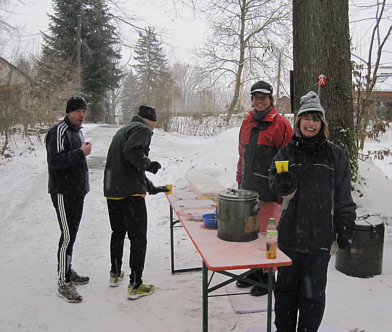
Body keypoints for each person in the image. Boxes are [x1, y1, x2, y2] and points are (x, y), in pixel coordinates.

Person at [269, 91, 356, 332]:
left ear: (322, 124)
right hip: (289, 239)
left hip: (319, 240)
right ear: (298, 122)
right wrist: (282, 183)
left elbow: (343, 196)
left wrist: (345, 225)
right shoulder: (287, 153)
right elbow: (274, 184)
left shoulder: (334, 155)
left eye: (316, 119)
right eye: (306, 118)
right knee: (285, 294)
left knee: (313, 297)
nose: (310, 123)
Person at [103, 105, 169, 300]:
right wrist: (150, 164)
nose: (154, 129)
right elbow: (132, 153)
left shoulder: (124, 130)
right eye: (154, 125)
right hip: (130, 193)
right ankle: (135, 284)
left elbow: (128, 165)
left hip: (112, 190)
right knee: (138, 238)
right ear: (150, 121)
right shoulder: (142, 129)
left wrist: (150, 187)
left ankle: (115, 274)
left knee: (118, 232)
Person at [236, 80, 293, 296]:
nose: (260, 101)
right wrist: (239, 178)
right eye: (256, 97)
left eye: (264, 97)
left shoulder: (281, 124)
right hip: (249, 190)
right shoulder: (247, 123)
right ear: (252, 100)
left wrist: (281, 189)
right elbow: (242, 153)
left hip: (270, 192)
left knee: (268, 235)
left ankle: (268, 275)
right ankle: (254, 270)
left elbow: (287, 160)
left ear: (270, 99)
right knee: (251, 233)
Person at [46, 96, 92, 303]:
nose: (82, 115)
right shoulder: (59, 131)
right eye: (78, 112)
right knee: (66, 235)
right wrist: (80, 153)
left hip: (77, 191)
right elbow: (55, 161)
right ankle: (63, 282)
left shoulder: (77, 131)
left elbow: (74, 157)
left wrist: (80, 153)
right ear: (69, 113)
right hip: (63, 192)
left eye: (84, 111)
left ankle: (68, 268)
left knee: (72, 234)